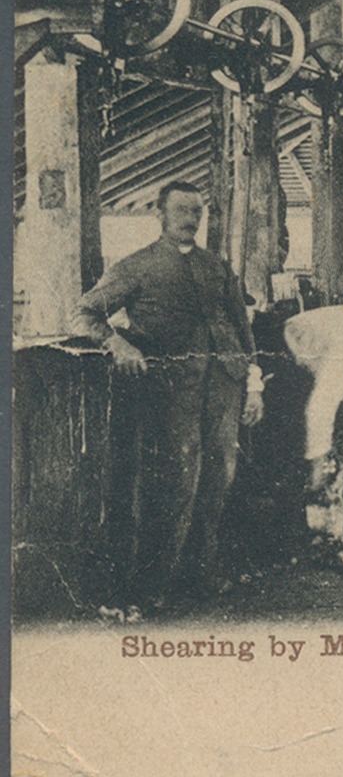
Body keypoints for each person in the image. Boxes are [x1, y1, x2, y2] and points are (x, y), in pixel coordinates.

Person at [75, 181, 264, 608]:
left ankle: (201, 576)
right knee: (175, 482)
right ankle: (155, 584)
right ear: (160, 214)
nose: (190, 218)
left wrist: (253, 385)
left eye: (196, 210)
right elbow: (83, 313)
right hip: (170, 393)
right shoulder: (136, 266)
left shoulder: (218, 267)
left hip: (224, 387)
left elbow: (242, 329)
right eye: (181, 210)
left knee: (219, 481)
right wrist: (117, 343)